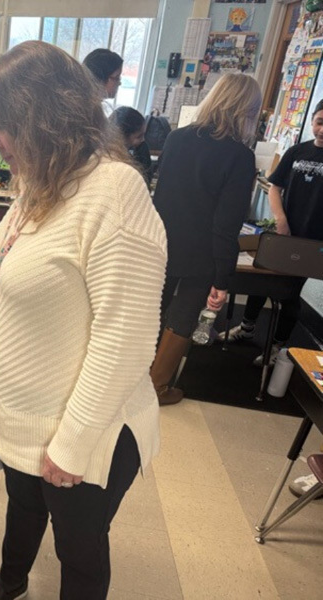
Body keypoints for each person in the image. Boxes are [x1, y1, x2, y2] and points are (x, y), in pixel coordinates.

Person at [0, 41, 165, 600]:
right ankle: (10, 581)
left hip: (83, 431)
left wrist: (73, 442)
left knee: (79, 548)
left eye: (1, 125)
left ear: (43, 119)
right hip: (22, 416)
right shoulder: (40, 179)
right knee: (23, 506)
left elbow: (125, 338)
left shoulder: (114, 191)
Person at [150, 73, 260, 405]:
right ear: (247, 110)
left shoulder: (176, 138)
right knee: (183, 316)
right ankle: (157, 388)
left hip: (160, 239)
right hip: (202, 252)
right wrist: (223, 279)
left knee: (149, 309)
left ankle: (130, 377)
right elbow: (227, 225)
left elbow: (160, 194)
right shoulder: (240, 156)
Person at [222, 98, 323, 366]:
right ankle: (247, 328)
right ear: (313, 121)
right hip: (284, 233)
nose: (322, 130)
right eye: (319, 122)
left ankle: (278, 346)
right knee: (263, 279)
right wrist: (280, 219)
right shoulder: (297, 151)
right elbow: (275, 187)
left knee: (289, 292)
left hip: (313, 242)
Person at [110, 106, 152, 185]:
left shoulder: (141, 148)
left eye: (144, 135)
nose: (143, 139)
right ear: (122, 137)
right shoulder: (106, 155)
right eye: (139, 136)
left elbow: (146, 180)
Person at [82, 49, 123, 116]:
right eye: (116, 77)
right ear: (100, 78)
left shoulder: (92, 107)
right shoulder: (86, 112)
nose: (119, 83)